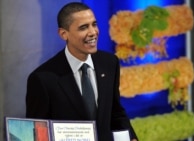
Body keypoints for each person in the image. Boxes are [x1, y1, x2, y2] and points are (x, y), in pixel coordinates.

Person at [25, 2, 138, 141]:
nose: (93, 32)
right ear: (63, 34)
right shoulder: (43, 79)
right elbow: (37, 133)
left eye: (94, 24)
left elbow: (115, 112)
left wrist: (131, 137)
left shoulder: (109, 63)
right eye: (83, 27)